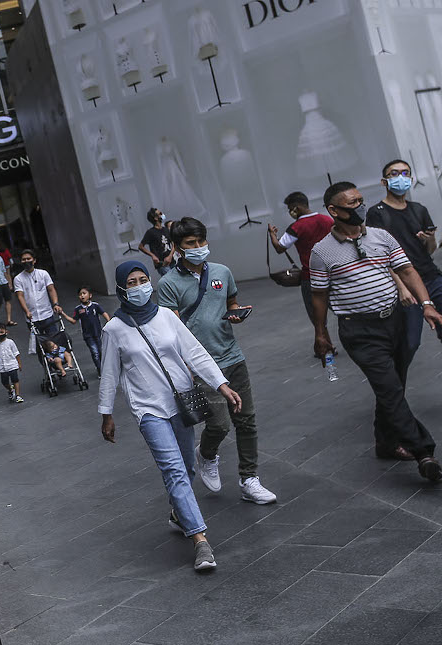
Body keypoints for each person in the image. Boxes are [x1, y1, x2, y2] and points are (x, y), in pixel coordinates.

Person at [100, 260, 242, 571]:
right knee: (174, 471)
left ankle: (179, 513)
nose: (139, 286)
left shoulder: (166, 316)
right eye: (132, 282)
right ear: (121, 289)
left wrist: (222, 385)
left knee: (187, 468)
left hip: (181, 403)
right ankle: (200, 540)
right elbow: (109, 374)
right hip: (148, 409)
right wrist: (106, 413)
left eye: (143, 279)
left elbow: (195, 352)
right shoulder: (113, 329)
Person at [312, 182, 442, 476]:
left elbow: (407, 270)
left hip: (394, 320)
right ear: (334, 211)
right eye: (352, 204)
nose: (360, 207)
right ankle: (423, 452)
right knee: (390, 388)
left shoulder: (381, 237)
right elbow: (318, 296)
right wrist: (321, 333)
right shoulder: (322, 252)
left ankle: (385, 443)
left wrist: (427, 304)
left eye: (361, 200)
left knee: (393, 385)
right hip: (359, 331)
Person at [158, 218, 277, 504]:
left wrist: (235, 312)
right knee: (220, 424)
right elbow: (171, 330)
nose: (198, 248)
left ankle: (249, 479)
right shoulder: (167, 284)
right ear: (176, 248)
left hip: (233, 357)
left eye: (201, 241)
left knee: (246, 420)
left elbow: (231, 301)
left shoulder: (222, 272)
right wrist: (185, 364)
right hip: (200, 366)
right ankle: (207, 453)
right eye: (190, 244)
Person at [367, 159, 442, 356]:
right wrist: (400, 287)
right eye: (394, 173)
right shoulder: (377, 213)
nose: (401, 177)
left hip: (431, 277)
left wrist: (430, 239)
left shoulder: (419, 209)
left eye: (405, 173)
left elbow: (429, 250)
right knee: (409, 343)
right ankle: (394, 382)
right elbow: (379, 256)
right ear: (384, 182)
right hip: (405, 283)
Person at [268, 191, 335, 325]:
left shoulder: (296, 227)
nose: (290, 213)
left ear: (296, 208)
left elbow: (280, 248)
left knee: (318, 318)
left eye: (290, 209)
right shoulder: (327, 219)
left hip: (311, 277)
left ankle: (324, 341)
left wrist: (272, 235)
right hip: (333, 273)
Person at [13, 249, 63, 337]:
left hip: (47, 314)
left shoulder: (43, 274)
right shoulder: (18, 279)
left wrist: (56, 304)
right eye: (24, 259)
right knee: (39, 343)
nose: (26, 261)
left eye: (28, 258)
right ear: (21, 261)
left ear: (34, 260)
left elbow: (51, 289)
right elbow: (20, 296)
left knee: (54, 340)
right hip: (32, 317)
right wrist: (26, 311)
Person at [61, 286, 110, 375]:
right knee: (95, 353)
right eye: (80, 294)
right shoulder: (78, 309)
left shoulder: (95, 305)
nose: (82, 296)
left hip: (98, 333)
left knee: (102, 352)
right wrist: (63, 314)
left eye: (84, 293)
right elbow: (73, 321)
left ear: (90, 295)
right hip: (88, 336)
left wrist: (109, 323)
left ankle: (106, 369)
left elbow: (104, 313)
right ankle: (100, 371)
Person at [0, 323, 25, 403]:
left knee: (15, 379)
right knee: (4, 382)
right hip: (2, 367)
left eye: (1, 332)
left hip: (12, 365)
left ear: (6, 332)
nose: (0, 334)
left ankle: (18, 395)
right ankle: (10, 389)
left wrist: (19, 363)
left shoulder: (10, 342)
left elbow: (16, 353)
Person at [140, 207, 175, 275]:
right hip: (161, 264)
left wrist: (170, 256)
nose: (162, 215)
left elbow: (174, 244)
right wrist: (153, 255)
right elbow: (141, 246)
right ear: (155, 218)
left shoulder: (165, 230)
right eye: (160, 214)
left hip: (172, 261)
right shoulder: (150, 232)